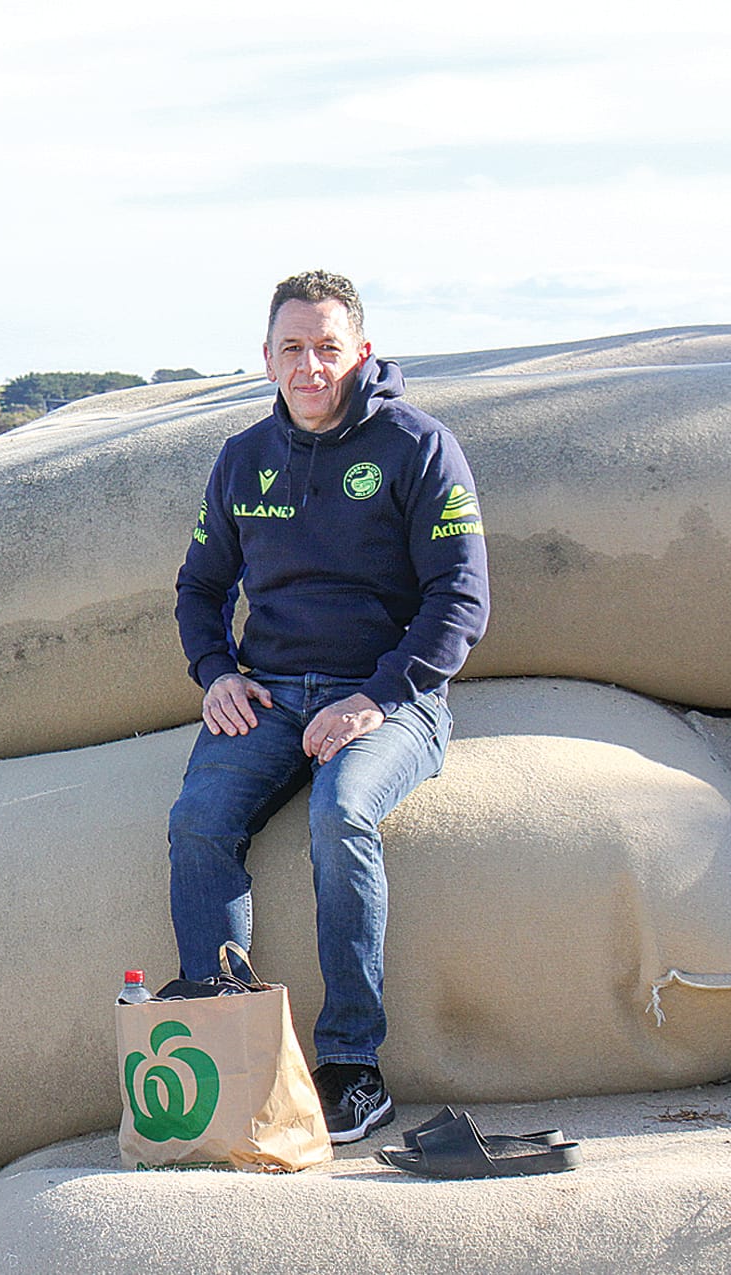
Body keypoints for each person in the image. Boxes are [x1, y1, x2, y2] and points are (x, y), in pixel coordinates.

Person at [167, 270, 490, 1143]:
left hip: (394, 698)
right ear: (265, 357)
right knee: (198, 819)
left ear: (361, 353)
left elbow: (460, 600)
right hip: (269, 693)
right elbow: (198, 589)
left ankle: (351, 1064)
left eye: (326, 348)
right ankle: (221, 1041)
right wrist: (216, 673)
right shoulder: (241, 458)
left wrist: (375, 700)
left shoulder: (417, 447)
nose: (309, 366)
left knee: (340, 814)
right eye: (291, 349)